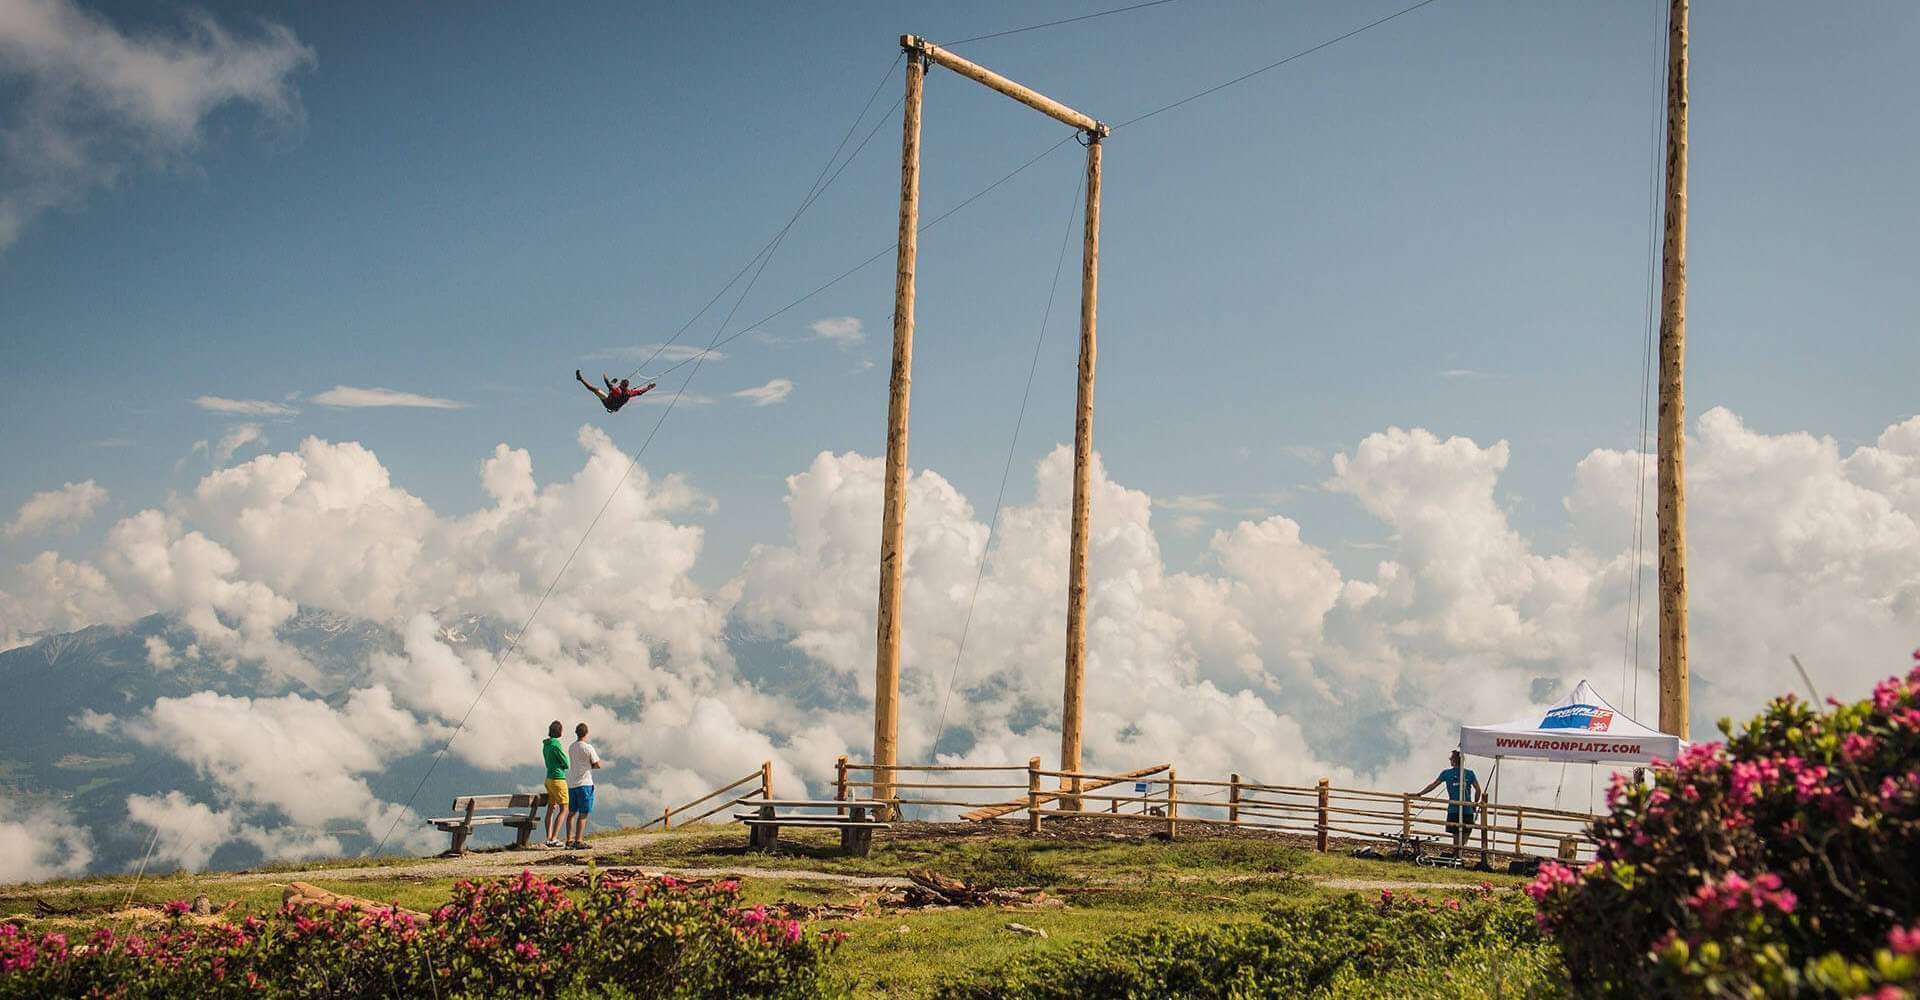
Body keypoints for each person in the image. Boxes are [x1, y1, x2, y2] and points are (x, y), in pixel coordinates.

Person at [1412, 750, 1484, 852]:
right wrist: (1474, 804)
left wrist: (1420, 793)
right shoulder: (1467, 773)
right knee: (1463, 834)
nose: (1450, 760)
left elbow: (1433, 785)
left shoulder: (1450, 773)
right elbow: (1478, 790)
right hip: (1464, 809)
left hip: (1458, 809)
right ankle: (1457, 854)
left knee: (1459, 834)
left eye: (1451, 759)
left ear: (1454, 760)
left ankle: (1457, 854)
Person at [564, 722, 604, 849]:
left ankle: (569, 839)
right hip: (585, 783)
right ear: (586, 733)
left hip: (572, 783)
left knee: (571, 813)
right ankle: (579, 840)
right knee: (583, 813)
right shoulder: (588, 748)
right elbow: (597, 764)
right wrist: (589, 765)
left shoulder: (571, 747)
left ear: (576, 733)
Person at [540, 720, 570, 848]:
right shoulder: (556, 745)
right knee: (564, 808)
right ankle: (554, 838)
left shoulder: (546, 744)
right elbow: (566, 763)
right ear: (559, 732)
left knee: (551, 808)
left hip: (549, 778)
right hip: (558, 778)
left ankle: (548, 837)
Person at [576, 370, 656, 412]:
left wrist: (605, 377)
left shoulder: (617, 391)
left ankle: (581, 379)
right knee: (610, 391)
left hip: (608, 403)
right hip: (614, 406)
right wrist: (648, 388)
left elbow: (608, 384)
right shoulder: (629, 393)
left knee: (595, 390)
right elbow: (640, 392)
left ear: (621, 385)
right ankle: (612, 384)